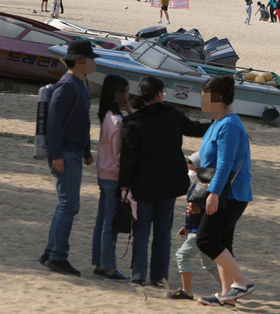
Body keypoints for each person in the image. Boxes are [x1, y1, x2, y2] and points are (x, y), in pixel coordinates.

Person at [119, 76, 210, 286]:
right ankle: (159, 278)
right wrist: (217, 123)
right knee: (162, 231)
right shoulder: (173, 115)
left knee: (141, 231)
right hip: (169, 181)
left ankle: (138, 276)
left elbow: (128, 157)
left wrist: (124, 184)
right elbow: (195, 129)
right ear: (160, 93)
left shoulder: (134, 121)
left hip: (143, 182)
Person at [39, 40, 100, 277]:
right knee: (69, 205)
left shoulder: (80, 84)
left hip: (73, 152)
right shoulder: (67, 85)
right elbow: (54, 121)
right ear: (80, 62)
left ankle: (49, 252)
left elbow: (79, 122)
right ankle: (58, 257)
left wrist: (85, 151)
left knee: (65, 205)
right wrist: (57, 155)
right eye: (91, 59)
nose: (94, 62)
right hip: (64, 153)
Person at [196, 76, 255, 307]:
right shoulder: (218, 122)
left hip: (230, 194)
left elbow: (225, 164)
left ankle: (243, 281)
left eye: (205, 100)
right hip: (223, 192)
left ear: (218, 99)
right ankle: (227, 295)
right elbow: (209, 158)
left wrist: (213, 194)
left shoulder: (229, 125)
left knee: (206, 240)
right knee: (222, 242)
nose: (202, 105)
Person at [91, 75, 132, 281]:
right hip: (114, 176)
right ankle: (108, 267)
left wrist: (129, 111)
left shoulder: (107, 115)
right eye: (125, 90)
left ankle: (99, 262)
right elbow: (119, 154)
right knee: (110, 223)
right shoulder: (117, 122)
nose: (127, 94)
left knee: (102, 221)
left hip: (103, 173)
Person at [166, 153, 221, 301]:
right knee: (209, 264)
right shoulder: (194, 186)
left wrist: (199, 211)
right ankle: (229, 289)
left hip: (201, 232)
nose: (191, 171)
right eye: (189, 167)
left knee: (182, 255)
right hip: (196, 230)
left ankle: (187, 291)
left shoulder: (209, 187)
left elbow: (212, 212)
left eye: (194, 168)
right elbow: (192, 211)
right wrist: (187, 226)